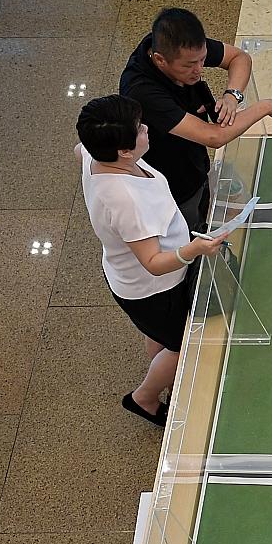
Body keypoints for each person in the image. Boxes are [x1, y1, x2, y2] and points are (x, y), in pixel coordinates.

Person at [76, 94, 225, 427]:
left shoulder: (92, 152)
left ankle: (167, 371)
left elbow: (78, 151)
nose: (146, 129)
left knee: (160, 335)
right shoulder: (125, 201)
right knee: (180, 343)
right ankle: (144, 398)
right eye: (139, 129)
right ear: (125, 151)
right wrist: (196, 249)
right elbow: (154, 262)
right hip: (153, 287)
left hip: (128, 278)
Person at [120, 7, 272, 233]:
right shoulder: (142, 91)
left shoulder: (179, 43)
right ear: (160, 60)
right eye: (189, 65)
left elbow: (239, 57)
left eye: (202, 60)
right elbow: (214, 136)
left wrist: (232, 96)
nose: (199, 70)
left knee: (202, 205)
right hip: (171, 184)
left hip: (194, 162)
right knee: (188, 233)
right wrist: (266, 106)